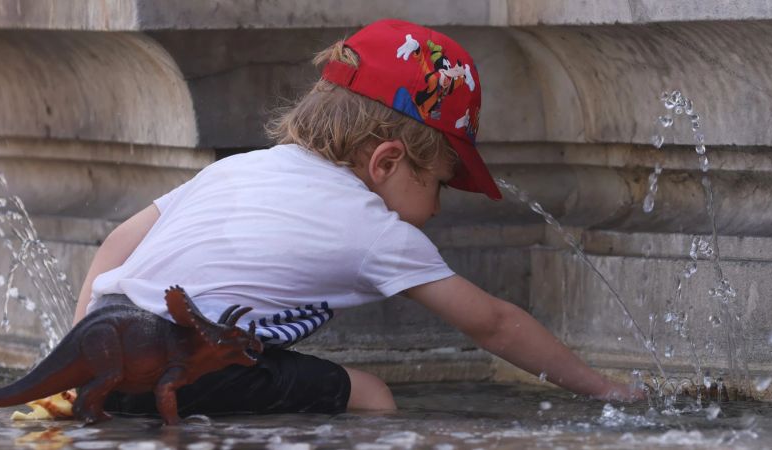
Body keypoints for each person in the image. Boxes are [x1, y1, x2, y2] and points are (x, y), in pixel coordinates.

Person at [72, 19, 643, 417]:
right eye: (441, 183)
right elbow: (491, 323)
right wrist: (604, 388)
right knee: (369, 395)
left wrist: (75, 356)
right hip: (185, 366)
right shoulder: (375, 231)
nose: (439, 208)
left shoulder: (239, 169)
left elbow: (115, 247)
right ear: (387, 161)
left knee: (280, 375)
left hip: (106, 349)